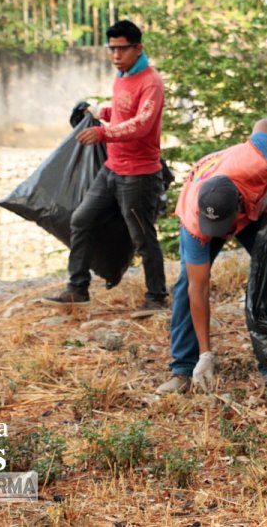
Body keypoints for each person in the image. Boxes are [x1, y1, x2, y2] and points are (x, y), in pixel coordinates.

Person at [156, 119, 267, 395]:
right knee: (187, 283)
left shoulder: (255, 162)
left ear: (238, 205)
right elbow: (198, 289)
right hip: (210, 190)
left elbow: (266, 125)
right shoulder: (195, 222)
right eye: (217, 230)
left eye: (225, 226)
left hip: (256, 208)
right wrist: (206, 353)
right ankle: (184, 368)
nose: (224, 234)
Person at [43, 20, 168, 318]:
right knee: (81, 219)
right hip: (112, 169)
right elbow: (125, 112)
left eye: (121, 49)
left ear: (138, 48)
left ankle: (157, 297)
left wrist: (103, 133)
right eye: (111, 49)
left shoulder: (151, 82)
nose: (115, 55)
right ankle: (78, 289)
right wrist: (99, 114)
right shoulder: (122, 76)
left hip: (139, 175)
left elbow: (142, 124)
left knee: (143, 238)